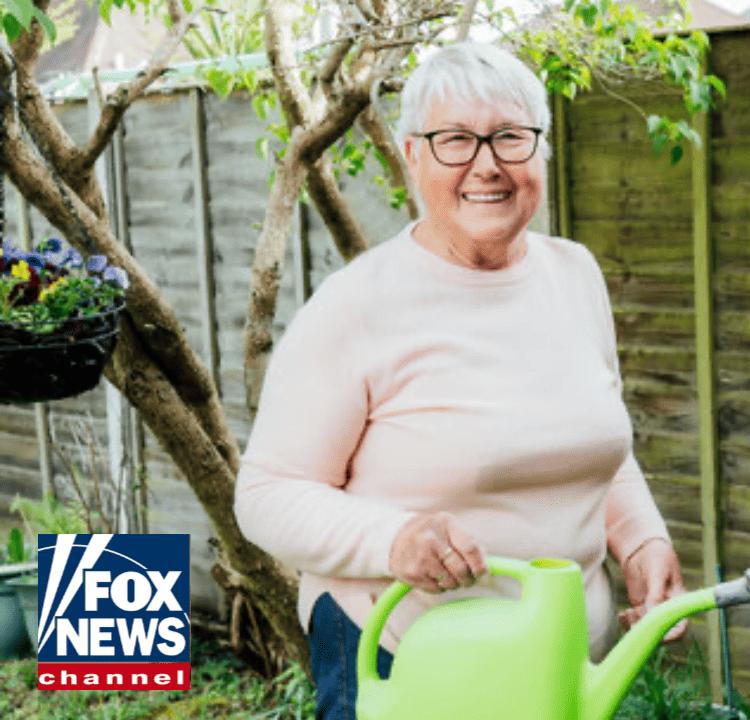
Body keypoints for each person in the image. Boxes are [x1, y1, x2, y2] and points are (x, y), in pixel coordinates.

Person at [234, 41, 687, 720]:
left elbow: (597, 443)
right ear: (414, 156)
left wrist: (643, 540)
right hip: (406, 657)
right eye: (455, 141)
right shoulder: (356, 304)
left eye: (510, 137)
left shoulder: (574, 275)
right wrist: (394, 541)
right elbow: (266, 495)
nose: (487, 164)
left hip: (555, 662)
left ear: (541, 152)